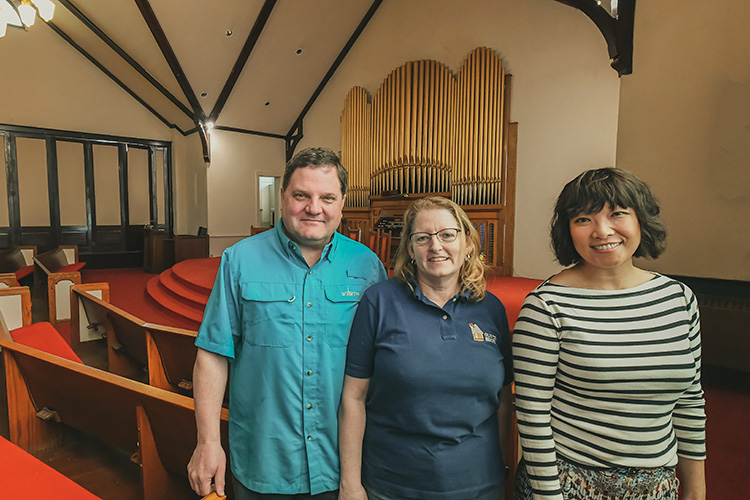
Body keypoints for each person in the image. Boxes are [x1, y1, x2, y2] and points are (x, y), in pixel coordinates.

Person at [187, 147, 387, 499]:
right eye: (301, 195)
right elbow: (213, 355)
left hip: (343, 466)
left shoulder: (369, 267)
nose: (314, 208)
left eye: (327, 197)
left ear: (342, 203)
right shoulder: (239, 260)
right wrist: (208, 442)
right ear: (283, 197)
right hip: (264, 460)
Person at [512, 168, 706, 500]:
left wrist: (696, 490)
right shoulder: (547, 305)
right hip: (571, 483)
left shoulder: (678, 297)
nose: (602, 231)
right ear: (568, 231)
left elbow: (689, 399)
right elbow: (533, 415)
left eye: (617, 213)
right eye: (583, 219)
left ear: (641, 220)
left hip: (658, 486)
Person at [339, 196, 514, 500]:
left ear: (468, 243)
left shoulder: (491, 309)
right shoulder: (378, 302)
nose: (436, 246)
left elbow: (503, 401)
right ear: (410, 249)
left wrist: (504, 469)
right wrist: (350, 485)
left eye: (447, 235)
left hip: (479, 484)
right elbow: (354, 397)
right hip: (392, 484)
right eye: (423, 238)